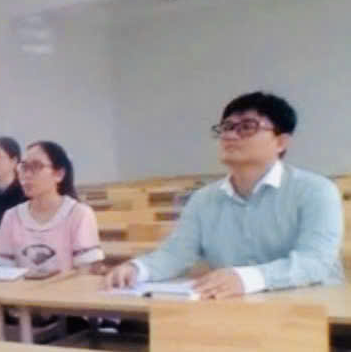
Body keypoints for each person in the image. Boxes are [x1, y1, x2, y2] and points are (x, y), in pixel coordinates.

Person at [105, 92, 345, 298]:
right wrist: (138, 269)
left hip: (310, 311)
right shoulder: (203, 199)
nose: (230, 135)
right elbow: (177, 253)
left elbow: (315, 261)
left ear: (281, 142)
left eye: (247, 127)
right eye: (227, 127)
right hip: (232, 309)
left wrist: (247, 279)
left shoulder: (316, 190)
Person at [0, 141, 104, 273]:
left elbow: (87, 272)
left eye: (36, 166)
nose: (27, 175)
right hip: (21, 286)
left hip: (67, 286)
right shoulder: (11, 216)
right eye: (24, 167)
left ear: (59, 174)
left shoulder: (79, 214)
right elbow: (2, 270)